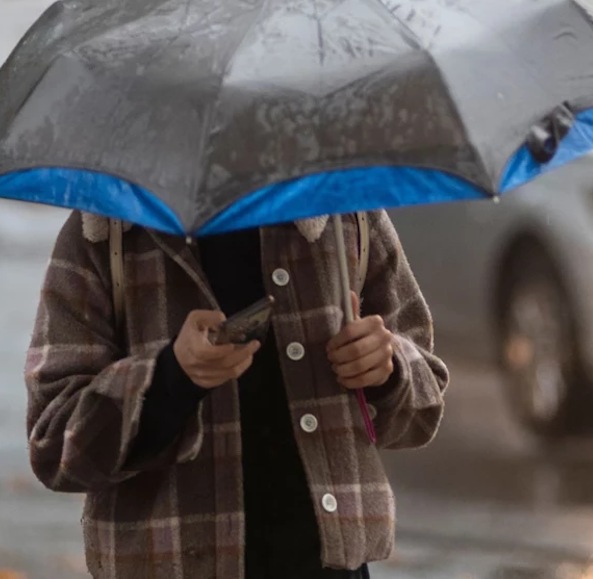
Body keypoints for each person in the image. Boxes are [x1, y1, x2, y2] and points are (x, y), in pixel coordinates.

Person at [25, 211, 449, 579]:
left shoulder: (344, 212)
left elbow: (425, 404)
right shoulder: (106, 234)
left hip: (327, 568)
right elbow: (54, 445)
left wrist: (388, 366)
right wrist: (168, 376)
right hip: (166, 562)